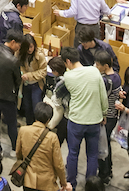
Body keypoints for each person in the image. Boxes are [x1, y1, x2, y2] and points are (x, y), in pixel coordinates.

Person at [56, 48, 105, 186]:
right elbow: (103, 96)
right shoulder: (95, 71)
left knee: (73, 153)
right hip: (94, 120)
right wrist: (104, 113)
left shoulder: (68, 77)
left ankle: (71, 183)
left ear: (68, 61)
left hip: (76, 120)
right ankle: (91, 184)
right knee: (92, 155)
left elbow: (58, 93)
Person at [13, 102, 67, 191]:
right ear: (48, 120)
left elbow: (18, 153)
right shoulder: (52, 137)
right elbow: (58, 165)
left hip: (28, 180)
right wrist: (63, 182)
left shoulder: (23, 130)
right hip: (47, 183)